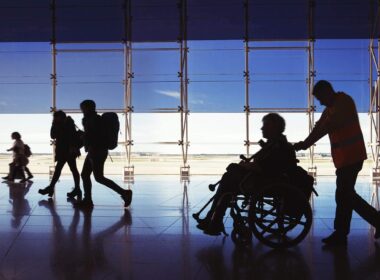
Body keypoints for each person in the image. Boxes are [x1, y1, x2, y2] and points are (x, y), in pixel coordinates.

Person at [294, 80, 380, 246]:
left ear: (327, 92)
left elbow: (326, 127)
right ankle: (360, 226)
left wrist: (305, 144)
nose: (320, 102)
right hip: (345, 159)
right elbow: (318, 128)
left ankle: (342, 233)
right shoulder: (330, 109)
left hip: (352, 157)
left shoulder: (344, 103)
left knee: (343, 195)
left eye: (320, 98)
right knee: (346, 195)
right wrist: (304, 143)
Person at [197, 113, 298, 235]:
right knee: (228, 179)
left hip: (265, 183)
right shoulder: (277, 144)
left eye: (265, 125)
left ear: (275, 127)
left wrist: (244, 166)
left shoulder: (278, 146)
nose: (262, 128)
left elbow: (267, 169)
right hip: (265, 180)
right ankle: (213, 219)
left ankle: (214, 219)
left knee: (228, 180)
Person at [75, 100, 132, 209]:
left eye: (82, 108)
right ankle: (88, 200)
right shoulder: (92, 119)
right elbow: (93, 135)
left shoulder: (93, 120)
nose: (81, 110)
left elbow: (95, 136)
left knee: (99, 177)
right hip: (95, 151)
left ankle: (125, 193)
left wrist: (84, 136)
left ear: (87, 108)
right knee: (85, 175)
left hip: (97, 151)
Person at [38, 110, 81, 198]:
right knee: (71, 169)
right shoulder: (63, 124)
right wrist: (54, 124)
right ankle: (77, 189)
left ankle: (51, 188)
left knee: (61, 169)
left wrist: (55, 125)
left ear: (60, 117)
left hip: (67, 150)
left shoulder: (67, 123)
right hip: (65, 150)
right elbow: (53, 135)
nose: (55, 118)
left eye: (56, 117)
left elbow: (68, 137)